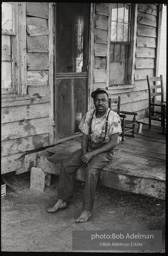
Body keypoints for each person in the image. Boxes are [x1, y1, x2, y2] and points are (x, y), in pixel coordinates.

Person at [47, 88, 122, 223]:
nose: (100, 103)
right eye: (97, 100)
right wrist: (84, 153)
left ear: (108, 101)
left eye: (103, 100)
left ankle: (87, 210)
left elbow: (113, 143)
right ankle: (62, 199)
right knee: (67, 164)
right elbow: (84, 137)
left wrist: (91, 154)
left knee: (91, 171)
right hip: (90, 148)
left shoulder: (113, 117)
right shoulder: (89, 115)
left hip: (104, 151)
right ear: (94, 102)